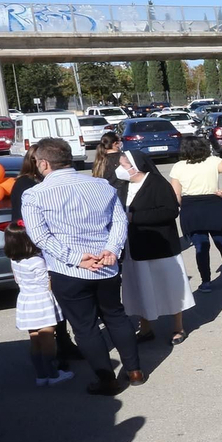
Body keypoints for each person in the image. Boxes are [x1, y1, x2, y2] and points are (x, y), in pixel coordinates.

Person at [21, 138, 146, 395]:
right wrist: (111, 250)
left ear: (44, 163)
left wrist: (75, 257)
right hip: (106, 265)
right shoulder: (101, 185)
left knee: (85, 326)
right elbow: (120, 222)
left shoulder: (34, 194)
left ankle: (107, 380)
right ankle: (135, 371)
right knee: (116, 316)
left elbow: (40, 237)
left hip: (68, 270)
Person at [117, 150, 195, 344]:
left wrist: (134, 218)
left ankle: (178, 327)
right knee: (140, 289)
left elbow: (169, 212)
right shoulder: (124, 186)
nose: (120, 169)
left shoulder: (158, 184)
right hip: (134, 247)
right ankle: (145, 328)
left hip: (160, 247)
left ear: (136, 166)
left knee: (169, 287)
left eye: (124, 165)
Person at [169, 136, 222, 292]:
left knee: (200, 247)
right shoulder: (213, 161)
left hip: (191, 208)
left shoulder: (178, 166)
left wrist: (180, 207)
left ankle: (206, 282)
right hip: (214, 205)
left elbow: (176, 194)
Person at [4, 221, 74, 387]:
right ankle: (53, 373)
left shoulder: (14, 260)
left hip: (26, 300)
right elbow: (46, 283)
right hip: (42, 301)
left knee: (34, 339)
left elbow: (17, 279)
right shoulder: (37, 261)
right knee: (48, 337)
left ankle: (41, 375)